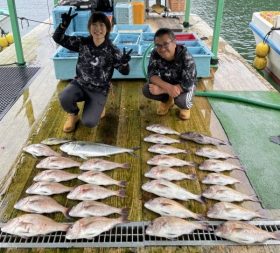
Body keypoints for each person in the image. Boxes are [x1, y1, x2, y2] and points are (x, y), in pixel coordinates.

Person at [53, 9, 132, 132]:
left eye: (102, 25)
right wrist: (63, 25)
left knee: (89, 122)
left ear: (107, 28)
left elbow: (125, 72)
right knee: (64, 97)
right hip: (80, 84)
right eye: (94, 25)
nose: (98, 29)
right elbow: (58, 38)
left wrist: (125, 63)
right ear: (89, 27)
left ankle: (98, 106)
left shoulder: (113, 50)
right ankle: (73, 115)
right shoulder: (82, 42)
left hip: (99, 90)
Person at [142, 28, 197, 120]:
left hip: (184, 85)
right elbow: (151, 74)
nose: (162, 49)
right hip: (167, 82)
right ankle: (167, 101)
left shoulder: (186, 57)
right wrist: (168, 87)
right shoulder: (155, 53)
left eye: (166, 44)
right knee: (147, 89)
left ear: (174, 42)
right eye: (158, 45)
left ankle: (185, 108)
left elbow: (187, 84)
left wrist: (162, 90)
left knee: (182, 101)